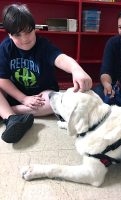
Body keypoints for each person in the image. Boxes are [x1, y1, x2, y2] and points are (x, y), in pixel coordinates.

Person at [0, 3, 92, 143]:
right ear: (9, 35)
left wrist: (76, 69)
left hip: (41, 96)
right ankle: (12, 118)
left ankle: (8, 114)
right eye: (18, 35)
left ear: (35, 29)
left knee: (55, 100)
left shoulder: (43, 45)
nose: (25, 39)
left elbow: (60, 58)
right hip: (16, 94)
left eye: (28, 31)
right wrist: (24, 98)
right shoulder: (5, 47)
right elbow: (2, 79)